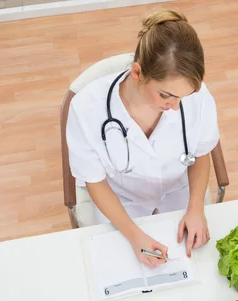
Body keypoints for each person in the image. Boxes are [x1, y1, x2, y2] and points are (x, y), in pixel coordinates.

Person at [66, 9, 220, 268]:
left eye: (183, 97)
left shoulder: (198, 97)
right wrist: (133, 234)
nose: (174, 106)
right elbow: (94, 180)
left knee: (200, 271)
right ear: (137, 73)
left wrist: (196, 208)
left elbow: (200, 153)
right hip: (121, 201)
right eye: (166, 96)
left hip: (178, 193)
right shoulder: (86, 109)